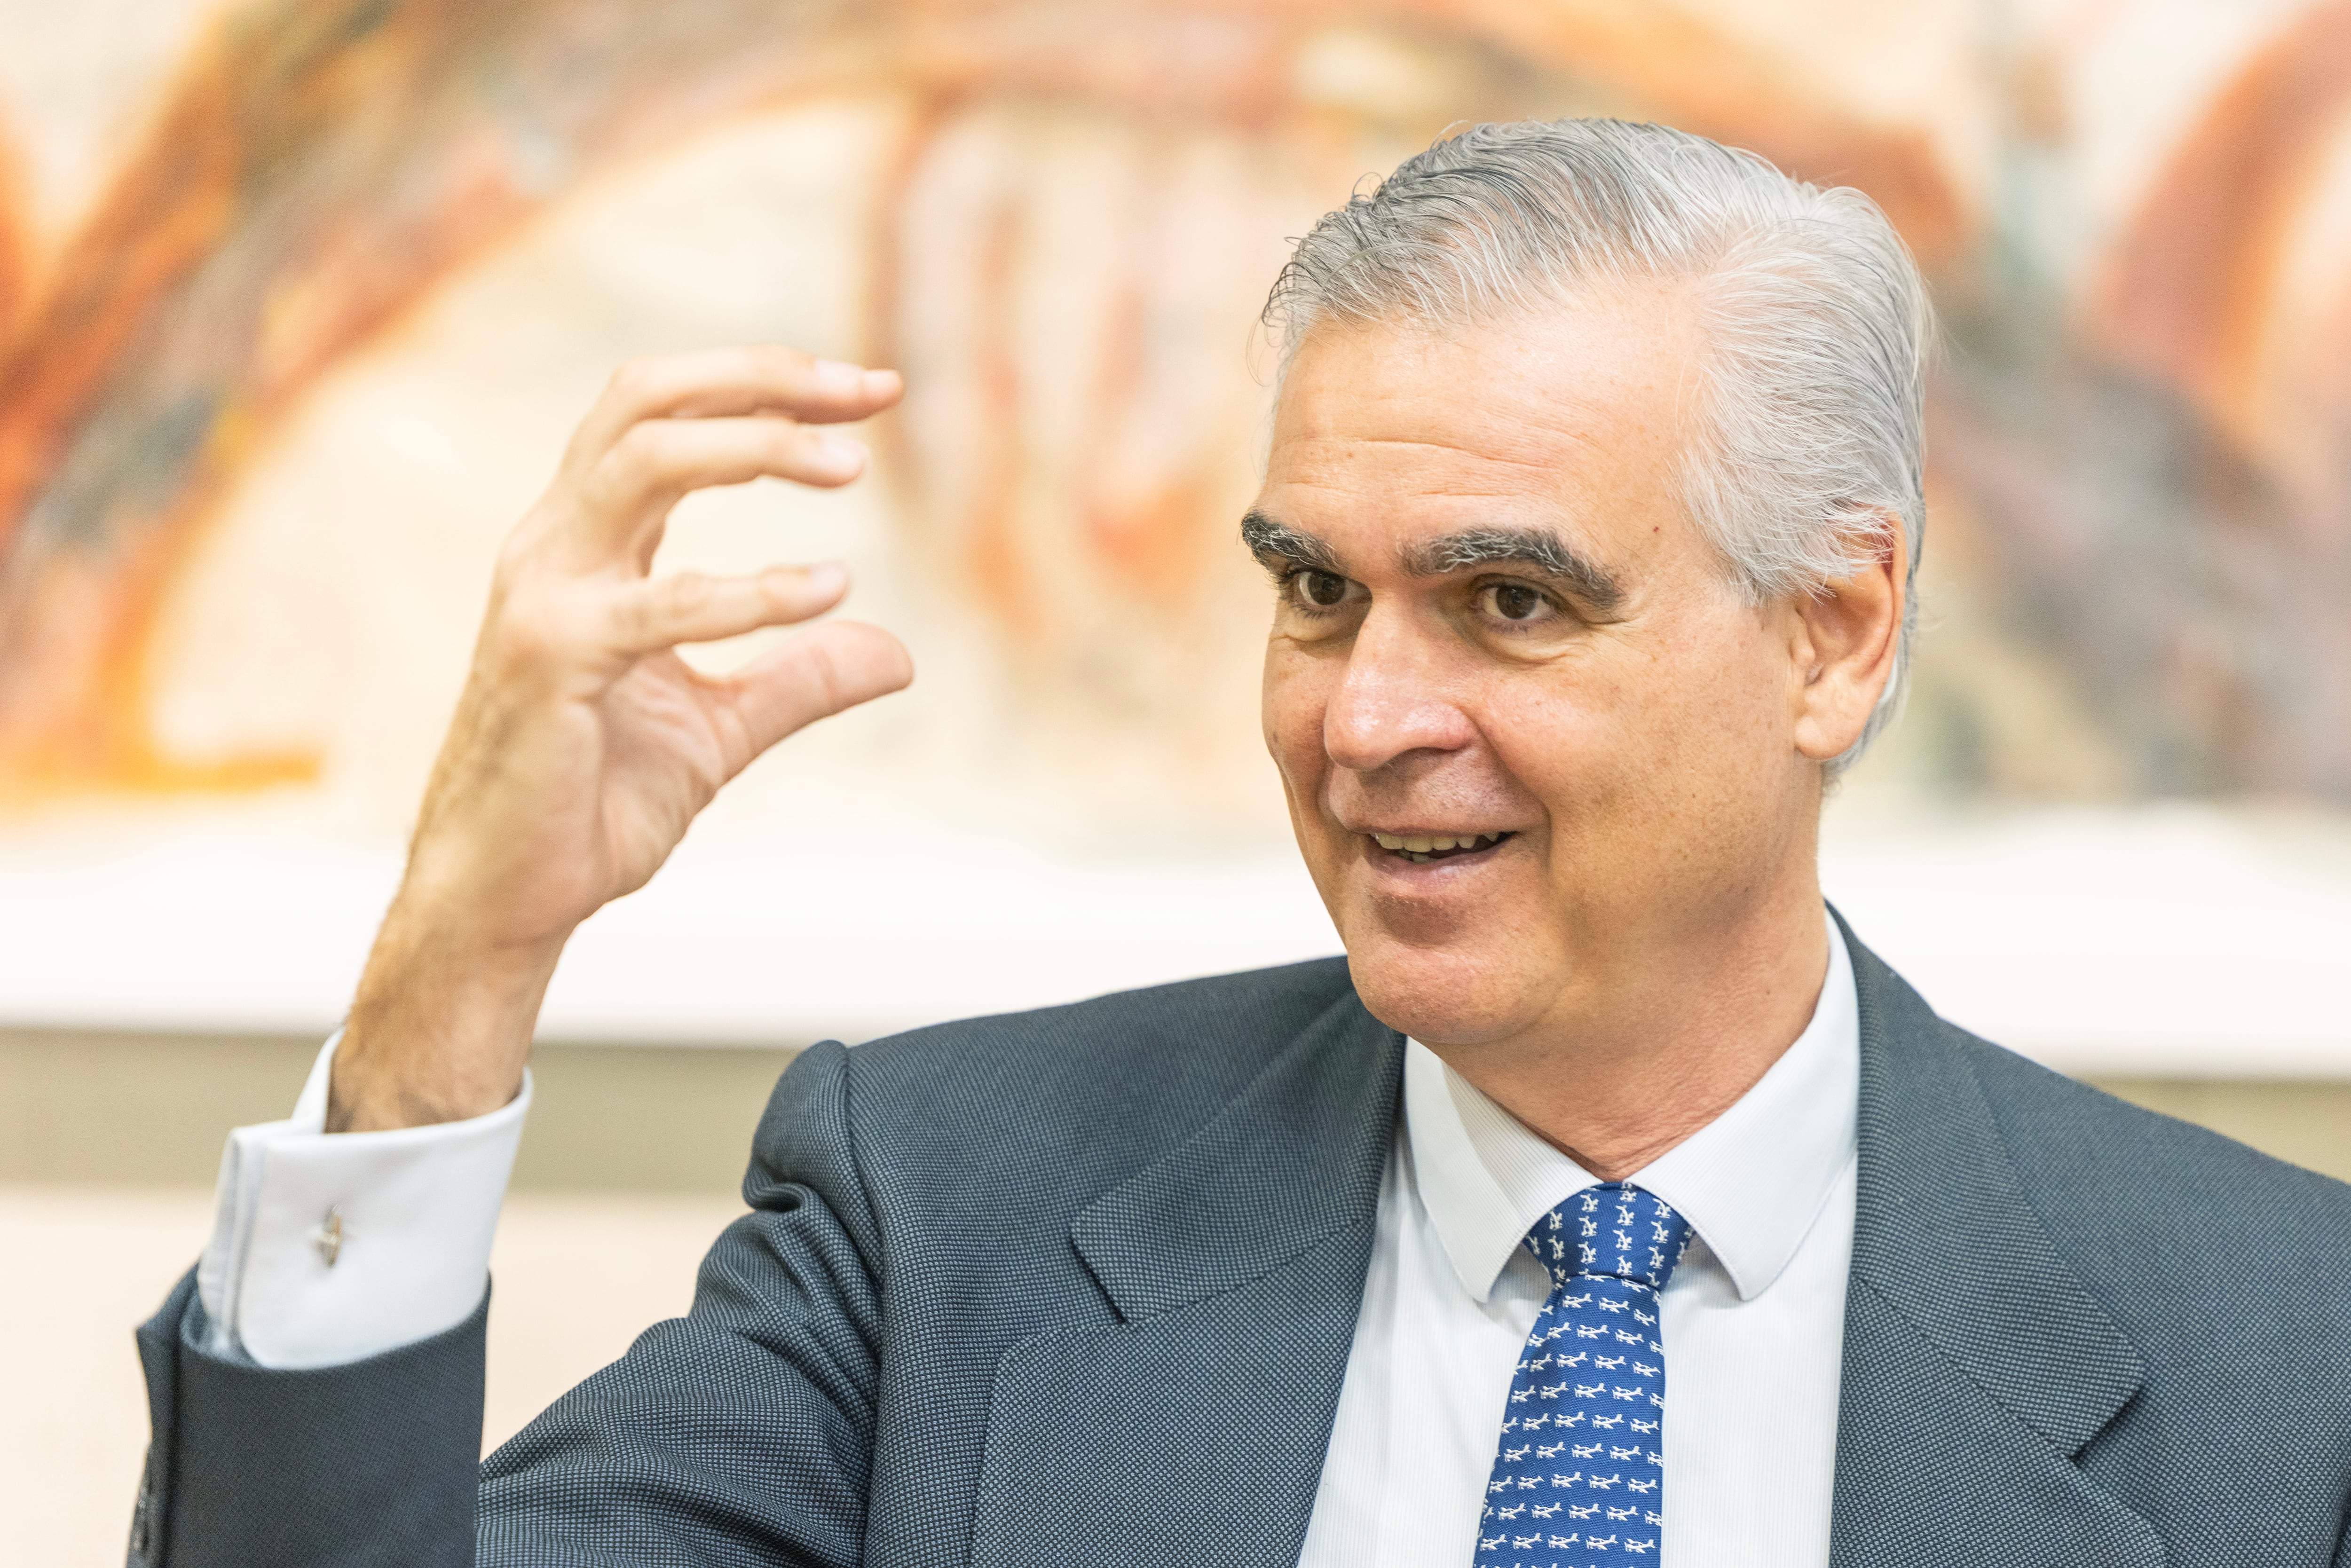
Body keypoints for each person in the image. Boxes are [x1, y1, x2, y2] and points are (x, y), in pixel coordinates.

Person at [130, 119, 2351, 1568]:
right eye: (1313, 590)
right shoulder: (943, 1221)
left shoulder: (2287, 1355)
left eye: (1507, 600)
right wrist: (454, 967)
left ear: (1833, 634)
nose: (1363, 720)